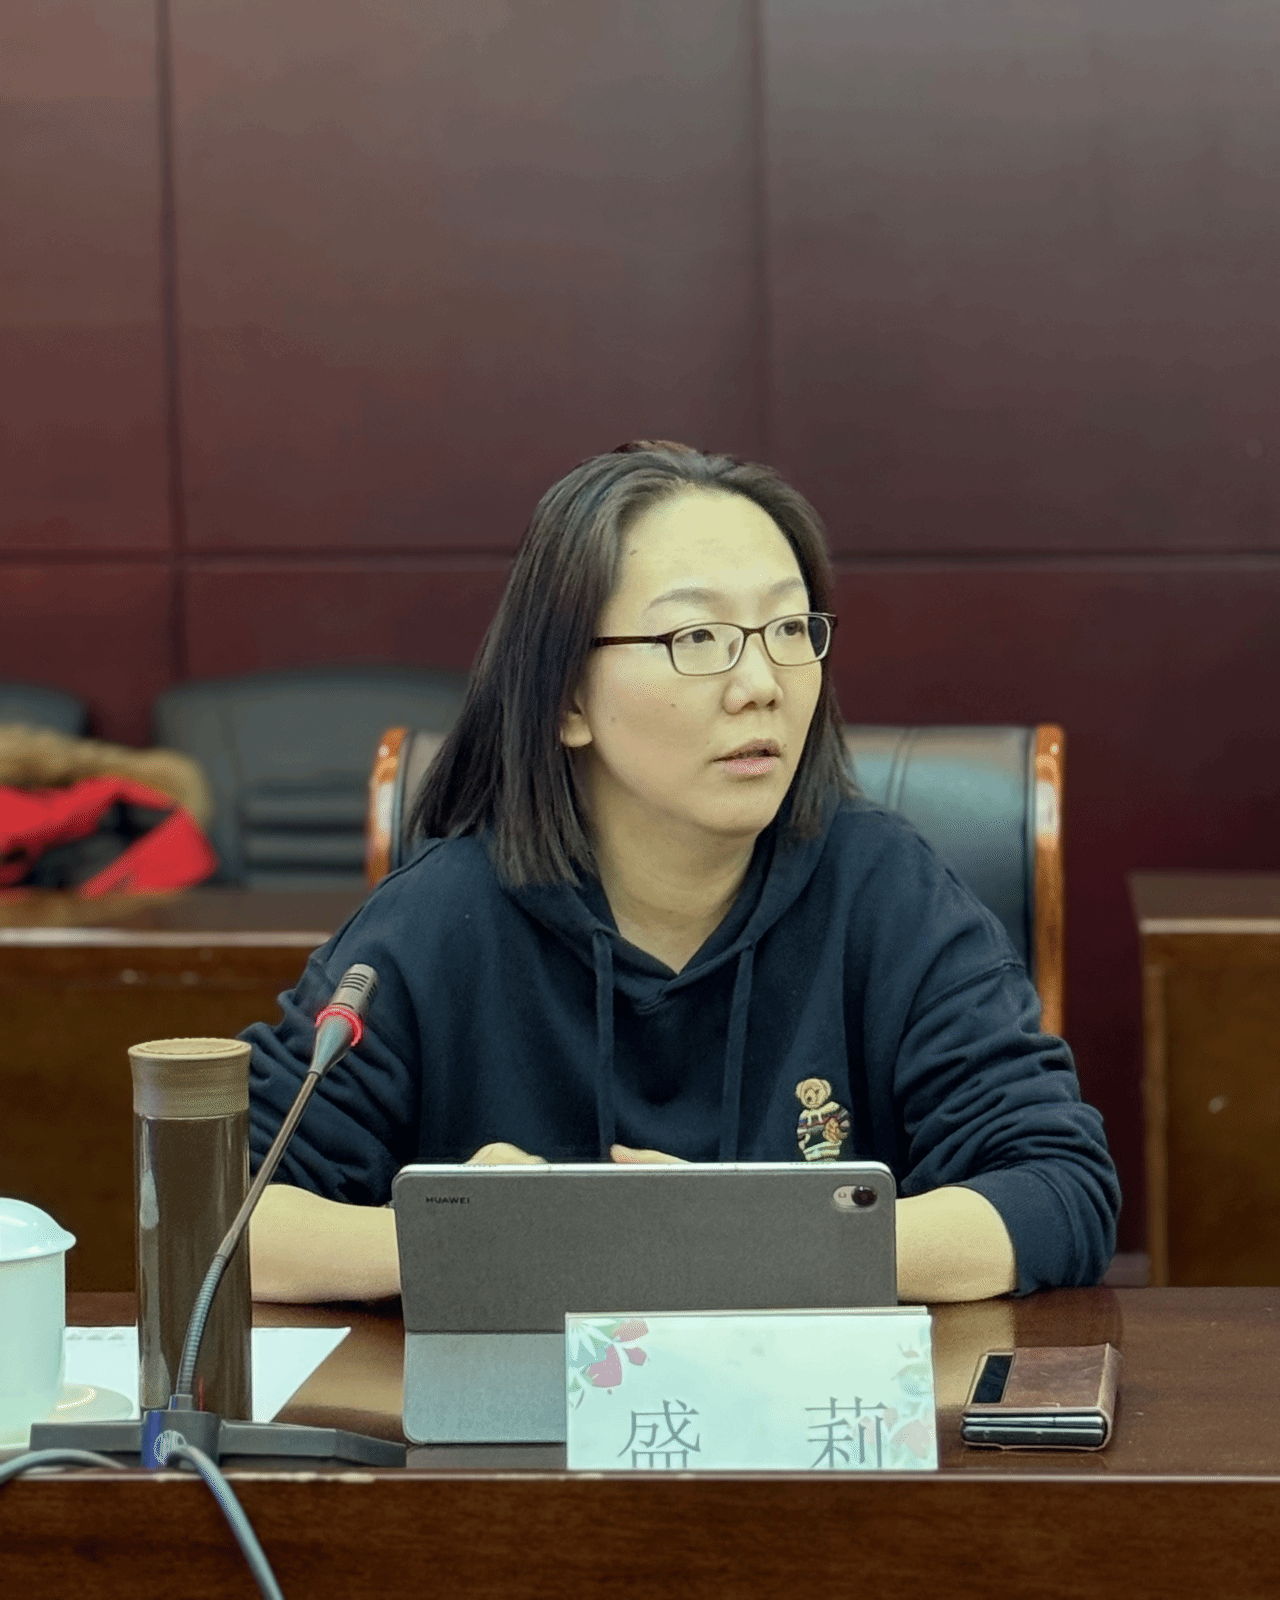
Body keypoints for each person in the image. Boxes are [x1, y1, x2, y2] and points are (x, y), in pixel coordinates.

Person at [244, 441, 1119, 1305]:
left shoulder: (886, 891)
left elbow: (1056, 1187)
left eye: (789, 629)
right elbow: (228, 1212)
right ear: (567, 697)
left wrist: (752, 1241)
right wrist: (461, 1238)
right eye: (698, 636)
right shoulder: (441, 918)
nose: (761, 684)